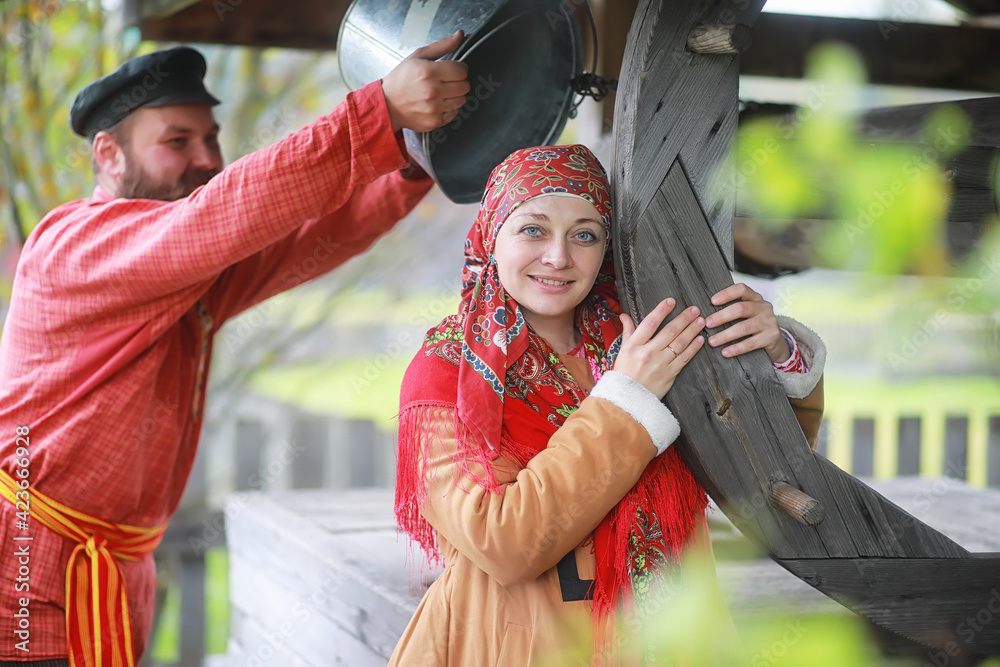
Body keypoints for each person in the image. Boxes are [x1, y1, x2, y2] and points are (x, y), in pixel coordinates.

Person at [0, 34, 469, 666]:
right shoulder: (72, 245)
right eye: (177, 140)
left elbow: (314, 235)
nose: (205, 158)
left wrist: (411, 157)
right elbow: (223, 213)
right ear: (108, 155)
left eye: (211, 138)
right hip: (24, 578)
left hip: (107, 576)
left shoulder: (183, 270)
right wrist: (377, 112)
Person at [389, 144, 826, 665]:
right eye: (532, 229)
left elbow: (769, 474)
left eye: (585, 235)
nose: (558, 256)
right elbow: (503, 540)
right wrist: (628, 402)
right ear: (490, 233)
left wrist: (776, 355)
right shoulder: (447, 372)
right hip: (517, 648)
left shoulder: (649, 339)